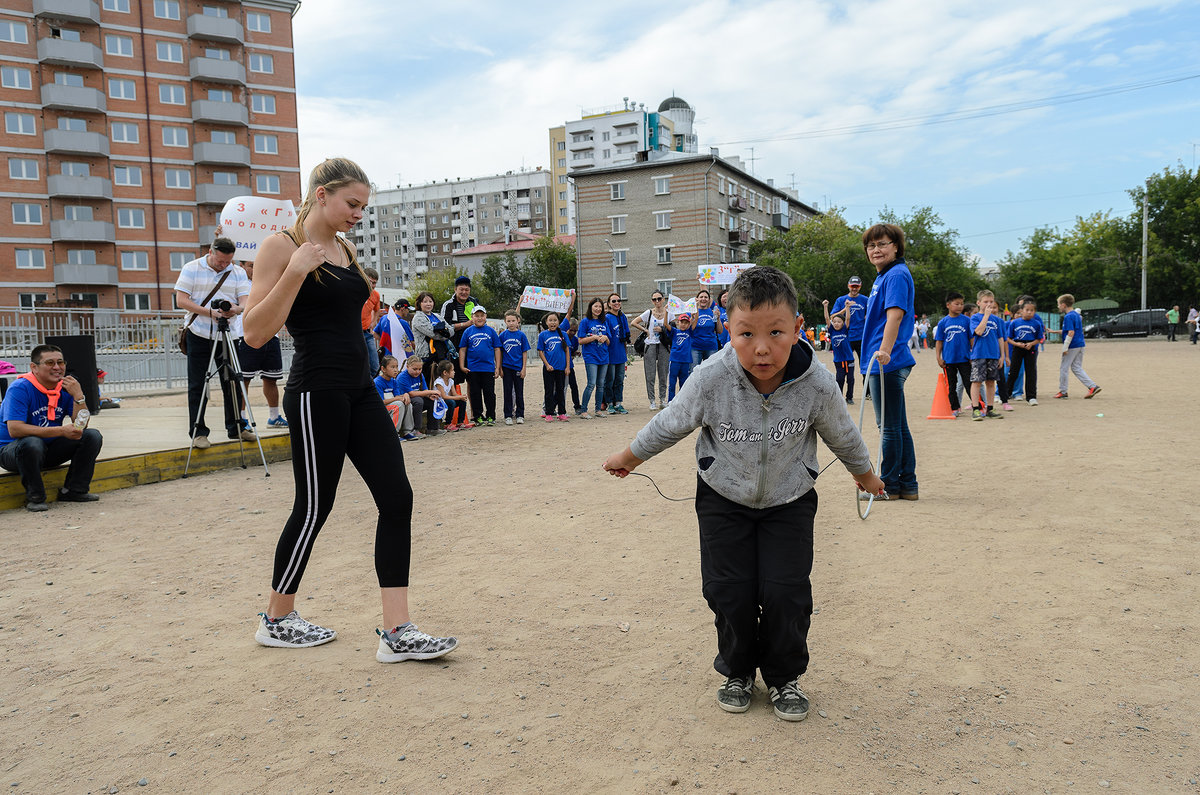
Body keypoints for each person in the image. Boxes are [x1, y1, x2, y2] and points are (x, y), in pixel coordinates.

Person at [603, 266, 884, 722]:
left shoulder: (817, 382)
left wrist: (866, 474)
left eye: (776, 332)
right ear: (726, 328)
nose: (761, 348)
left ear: (797, 328)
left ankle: (783, 677)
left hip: (790, 500)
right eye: (745, 334)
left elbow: (843, 434)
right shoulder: (712, 376)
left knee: (785, 592)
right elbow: (671, 422)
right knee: (728, 590)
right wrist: (629, 456)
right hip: (722, 498)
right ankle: (737, 671)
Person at [242, 157, 455, 661]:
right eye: (351, 203)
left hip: (360, 389)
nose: (358, 213)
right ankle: (275, 618)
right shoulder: (282, 246)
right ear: (321, 194)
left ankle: (397, 632)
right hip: (315, 392)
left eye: (363, 206)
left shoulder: (345, 248)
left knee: (397, 497)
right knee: (315, 506)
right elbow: (254, 332)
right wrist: (294, 273)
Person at [0, 344, 104, 512]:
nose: (57, 367)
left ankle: (74, 490)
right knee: (32, 443)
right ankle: (36, 497)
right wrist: (61, 431)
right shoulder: (20, 388)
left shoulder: (65, 387)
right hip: (13, 452)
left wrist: (78, 396)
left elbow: (81, 425)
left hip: (46, 449)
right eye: (49, 363)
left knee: (92, 436)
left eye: (60, 362)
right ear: (34, 367)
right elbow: (15, 430)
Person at [174, 237, 255, 448]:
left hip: (228, 334)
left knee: (233, 382)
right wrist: (209, 313)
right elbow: (181, 300)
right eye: (220, 261)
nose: (223, 265)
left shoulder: (237, 272)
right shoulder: (192, 268)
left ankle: (237, 426)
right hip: (198, 333)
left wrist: (234, 310)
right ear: (210, 252)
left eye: (227, 262)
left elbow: (245, 301)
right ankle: (198, 431)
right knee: (198, 384)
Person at [858, 223, 918, 501]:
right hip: (885, 359)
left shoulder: (895, 275)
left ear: (896, 247)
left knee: (889, 427)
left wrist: (884, 351)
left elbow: (895, 316)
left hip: (886, 361)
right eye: (871, 246)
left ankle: (889, 486)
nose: (876, 250)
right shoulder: (886, 276)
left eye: (882, 244)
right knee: (897, 425)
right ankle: (907, 484)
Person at [237, 260, 288, 429]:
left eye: (256, 265)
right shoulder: (237, 280)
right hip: (245, 336)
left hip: (269, 335)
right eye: (251, 265)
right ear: (242, 265)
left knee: (271, 378)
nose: (254, 269)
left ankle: (274, 417)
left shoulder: (268, 280)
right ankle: (241, 418)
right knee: (244, 379)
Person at [968, 290, 1008, 420]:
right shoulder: (975, 318)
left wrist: (1002, 356)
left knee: (991, 382)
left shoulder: (998, 320)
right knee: (976, 381)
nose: (989, 304)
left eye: (991, 302)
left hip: (993, 354)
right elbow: (978, 332)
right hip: (979, 354)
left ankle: (990, 408)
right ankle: (976, 409)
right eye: (985, 302)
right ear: (979, 303)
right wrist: (986, 316)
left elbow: (1001, 338)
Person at [458, 306, 500, 426]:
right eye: (477, 316)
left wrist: (497, 367)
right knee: (475, 393)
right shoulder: (468, 331)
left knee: (489, 393)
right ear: (472, 317)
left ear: (485, 317)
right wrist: (462, 366)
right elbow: (463, 350)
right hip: (473, 369)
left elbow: (497, 349)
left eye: (482, 315)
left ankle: (491, 416)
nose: (479, 318)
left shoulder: (491, 331)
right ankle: (478, 416)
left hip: (488, 368)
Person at [1056, 294, 1101, 399]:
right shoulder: (1076, 315)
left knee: (1064, 368)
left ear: (1063, 305)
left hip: (1072, 345)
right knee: (1076, 367)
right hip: (1080, 344)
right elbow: (1071, 330)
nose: (1058, 307)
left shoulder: (1068, 316)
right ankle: (1092, 386)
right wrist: (1053, 331)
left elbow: (1070, 332)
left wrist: (1065, 347)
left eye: (1058, 305)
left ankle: (1063, 392)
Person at [934, 291, 972, 416]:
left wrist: (973, 355)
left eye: (962, 304)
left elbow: (972, 340)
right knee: (951, 385)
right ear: (948, 305)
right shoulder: (943, 322)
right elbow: (939, 342)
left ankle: (978, 406)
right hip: (949, 360)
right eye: (957, 304)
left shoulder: (967, 321)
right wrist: (938, 358)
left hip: (965, 359)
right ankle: (955, 408)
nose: (960, 306)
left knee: (969, 383)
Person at [631, 290, 670, 410]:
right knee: (650, 374)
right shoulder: (648, 312)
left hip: (663, 344)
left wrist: (663, 329)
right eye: (654, 299)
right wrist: (646, 330)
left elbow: (672, 327)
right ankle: (652, 400)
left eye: (659, 299)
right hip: (650, 344)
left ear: (663, 299)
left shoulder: (668, 312)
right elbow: (633, 322)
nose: (657, 301)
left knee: (663, 373)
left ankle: (662, 399)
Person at [442, 275, 481, 385]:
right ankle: (456, 402)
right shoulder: (448, 305)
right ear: (455, 289)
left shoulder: (474, 303)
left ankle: (472, 402)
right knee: (453, 379)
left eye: (466, 290)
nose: (464, 292)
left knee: (473, 381)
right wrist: (465, 324)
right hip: (454, 348)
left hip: (473, 347)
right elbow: (445, 328)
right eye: (461, 289)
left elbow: (481, 319)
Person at [1006, 299, 1045, 406]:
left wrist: (1032, 344)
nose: (1029, 312)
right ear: (1022, 310)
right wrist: (1017, 344)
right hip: (1018, 347)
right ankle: (1006, 394)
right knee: (1013, 371)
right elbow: (1008, 338)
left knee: (1031, 372)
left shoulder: (1036, 324)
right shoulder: (1015, 322)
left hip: (1030, 348)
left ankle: (1031, 397)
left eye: (1032, 310)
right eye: (1027, 310)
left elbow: (1039, 338)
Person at [374, 355, 421, 441]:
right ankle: (393, 433)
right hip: (380, 408)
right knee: (398, 405)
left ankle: (407, 432)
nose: (396, 370)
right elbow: (381, 402)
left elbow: (398, 396)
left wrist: (405, 395)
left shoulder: (393, 381)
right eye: (392, 367)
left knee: (407, 403)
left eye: (396, 367)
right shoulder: (377, 382)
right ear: (383, 369)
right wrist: (397, 399)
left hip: (391, 405)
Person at [578, 298, 610, 419]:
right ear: (591, 307)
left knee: (601, 384)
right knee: (591, 384)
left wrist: (605, 337)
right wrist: (594, 337)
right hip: (591, 357)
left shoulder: (604, 321)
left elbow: (609, 342)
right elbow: (580, 340)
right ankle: (584, 410)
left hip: (604, 357)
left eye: (600, 307)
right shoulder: (585, 322)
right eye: (595, 306)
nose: (598, 309)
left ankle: (598, 410)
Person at [395, 354, 442, 437]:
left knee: (432, 400)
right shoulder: (402, 377)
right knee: (418, 401)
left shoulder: (420, 375)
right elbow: (412, 394)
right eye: (414, 369)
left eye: (420, 369)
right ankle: (416, 429)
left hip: (417, 398)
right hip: (407, 401)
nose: (417, 371)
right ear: (407, 366)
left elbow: (425, 390)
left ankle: (432, 428)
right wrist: (431, 391)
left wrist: (430, 395)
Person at [498, 309, 530, 425]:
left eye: (513, 321)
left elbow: (524, 352)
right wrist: (500, 368)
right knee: (507, 391)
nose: (511, 323)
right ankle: (508, 415)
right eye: (508, 321)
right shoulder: (502, 336)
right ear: (505, 322)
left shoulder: (521, 335)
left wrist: (524, 368)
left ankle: (520, 414)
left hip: (518, 367)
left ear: (518, 321)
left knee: (519, 392)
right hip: (506, 367)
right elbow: (500, 352)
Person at [538, 311, 570, 422]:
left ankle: (562, 412)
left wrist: (567, 367)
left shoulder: (563, 334)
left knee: (561, 391)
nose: (553, 322)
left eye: (555, 320)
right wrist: (547, 364)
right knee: (549, 390)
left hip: (561, 368)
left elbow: (567, 351)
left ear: (558, 322)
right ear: (546, 322)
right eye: (550, 320)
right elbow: (541, 351)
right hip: (549, 368)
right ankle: (549, 413)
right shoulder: (543, 335)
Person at [830, 276, 867, 369]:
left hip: (861, 336)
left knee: (865, 365)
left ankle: (866, 383)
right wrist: (846, 307)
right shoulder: (841, 300)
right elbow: (832, 317)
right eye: (852, 286)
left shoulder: (865, 300)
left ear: (860, 286)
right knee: (844, 366)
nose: (854, 288)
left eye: (857, 286)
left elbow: (870, 316)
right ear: (848, 286)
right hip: (845, 337)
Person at [603, 293, 631, 414]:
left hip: (620, 354)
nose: (616, 303)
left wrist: (625, 354)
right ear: (609, 303)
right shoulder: (607, 318)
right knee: (610, 380)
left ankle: (618, 403)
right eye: (613, 301)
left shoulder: (622, 316)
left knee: (620, 380)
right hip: (610, 354)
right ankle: (609, 404)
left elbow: (624, 337)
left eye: (618, 300)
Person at [820, 303, 854, 404]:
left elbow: (848, 319)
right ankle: (839, 398)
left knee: (851, 379)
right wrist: (825, 307)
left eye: (839, 322)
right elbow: (827, 318)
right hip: (838, 360)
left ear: (843, 323)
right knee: (840, 379)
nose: (836, 323)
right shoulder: (832, 331)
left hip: (849, 359)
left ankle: (849, 397)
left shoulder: (845, 329)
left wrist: (847, 308)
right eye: (834, 322)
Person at [689, 288, 725, 367]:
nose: (703, 299)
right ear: (697, 299)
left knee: (711, 373)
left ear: (709, 300)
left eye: (706, 297)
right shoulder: (691, 312)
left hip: (711, 347)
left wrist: (718, 318)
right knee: (693, 373)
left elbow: (720, 331)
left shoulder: (713, 312)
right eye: (701, 297)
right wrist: (692, 319)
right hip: (695, 347)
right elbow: (688, 330)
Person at [431, 360, 469, 431]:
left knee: (462, 401)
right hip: (439, 402)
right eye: (452, 370)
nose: (454, 372)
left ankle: (460, 422)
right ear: (445, 372)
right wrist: (459, 397)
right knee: (451, 402)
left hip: (446, 399)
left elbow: (454, 394)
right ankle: (448, 424)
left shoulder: (451, 381)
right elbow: (444, 396)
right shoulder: (439, 382)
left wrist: (461, 397)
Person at [360, 267, 382, 377]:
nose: (372, 285)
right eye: (370, 282)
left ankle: (374, 389)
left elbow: (377, 310)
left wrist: (374, 322)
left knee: (375, 365)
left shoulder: (375, 295)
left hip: (367, 333)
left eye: (375, 283)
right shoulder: (355, 292)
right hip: (355, 333)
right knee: (359, 363)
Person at [667, 312, 692, 403]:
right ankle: (671, 401)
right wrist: (666, 312)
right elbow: (666, 324)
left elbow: (695, 320)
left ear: (689, 324)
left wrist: (695, 309)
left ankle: (682, 401)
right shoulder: (675, 331)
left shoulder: (690, 332)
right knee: (672, 382)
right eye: (682, 322)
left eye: (686, 323)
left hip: (685, 361)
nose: (683, 324)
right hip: (675, 360)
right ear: (678, 322)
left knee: (684, 382)